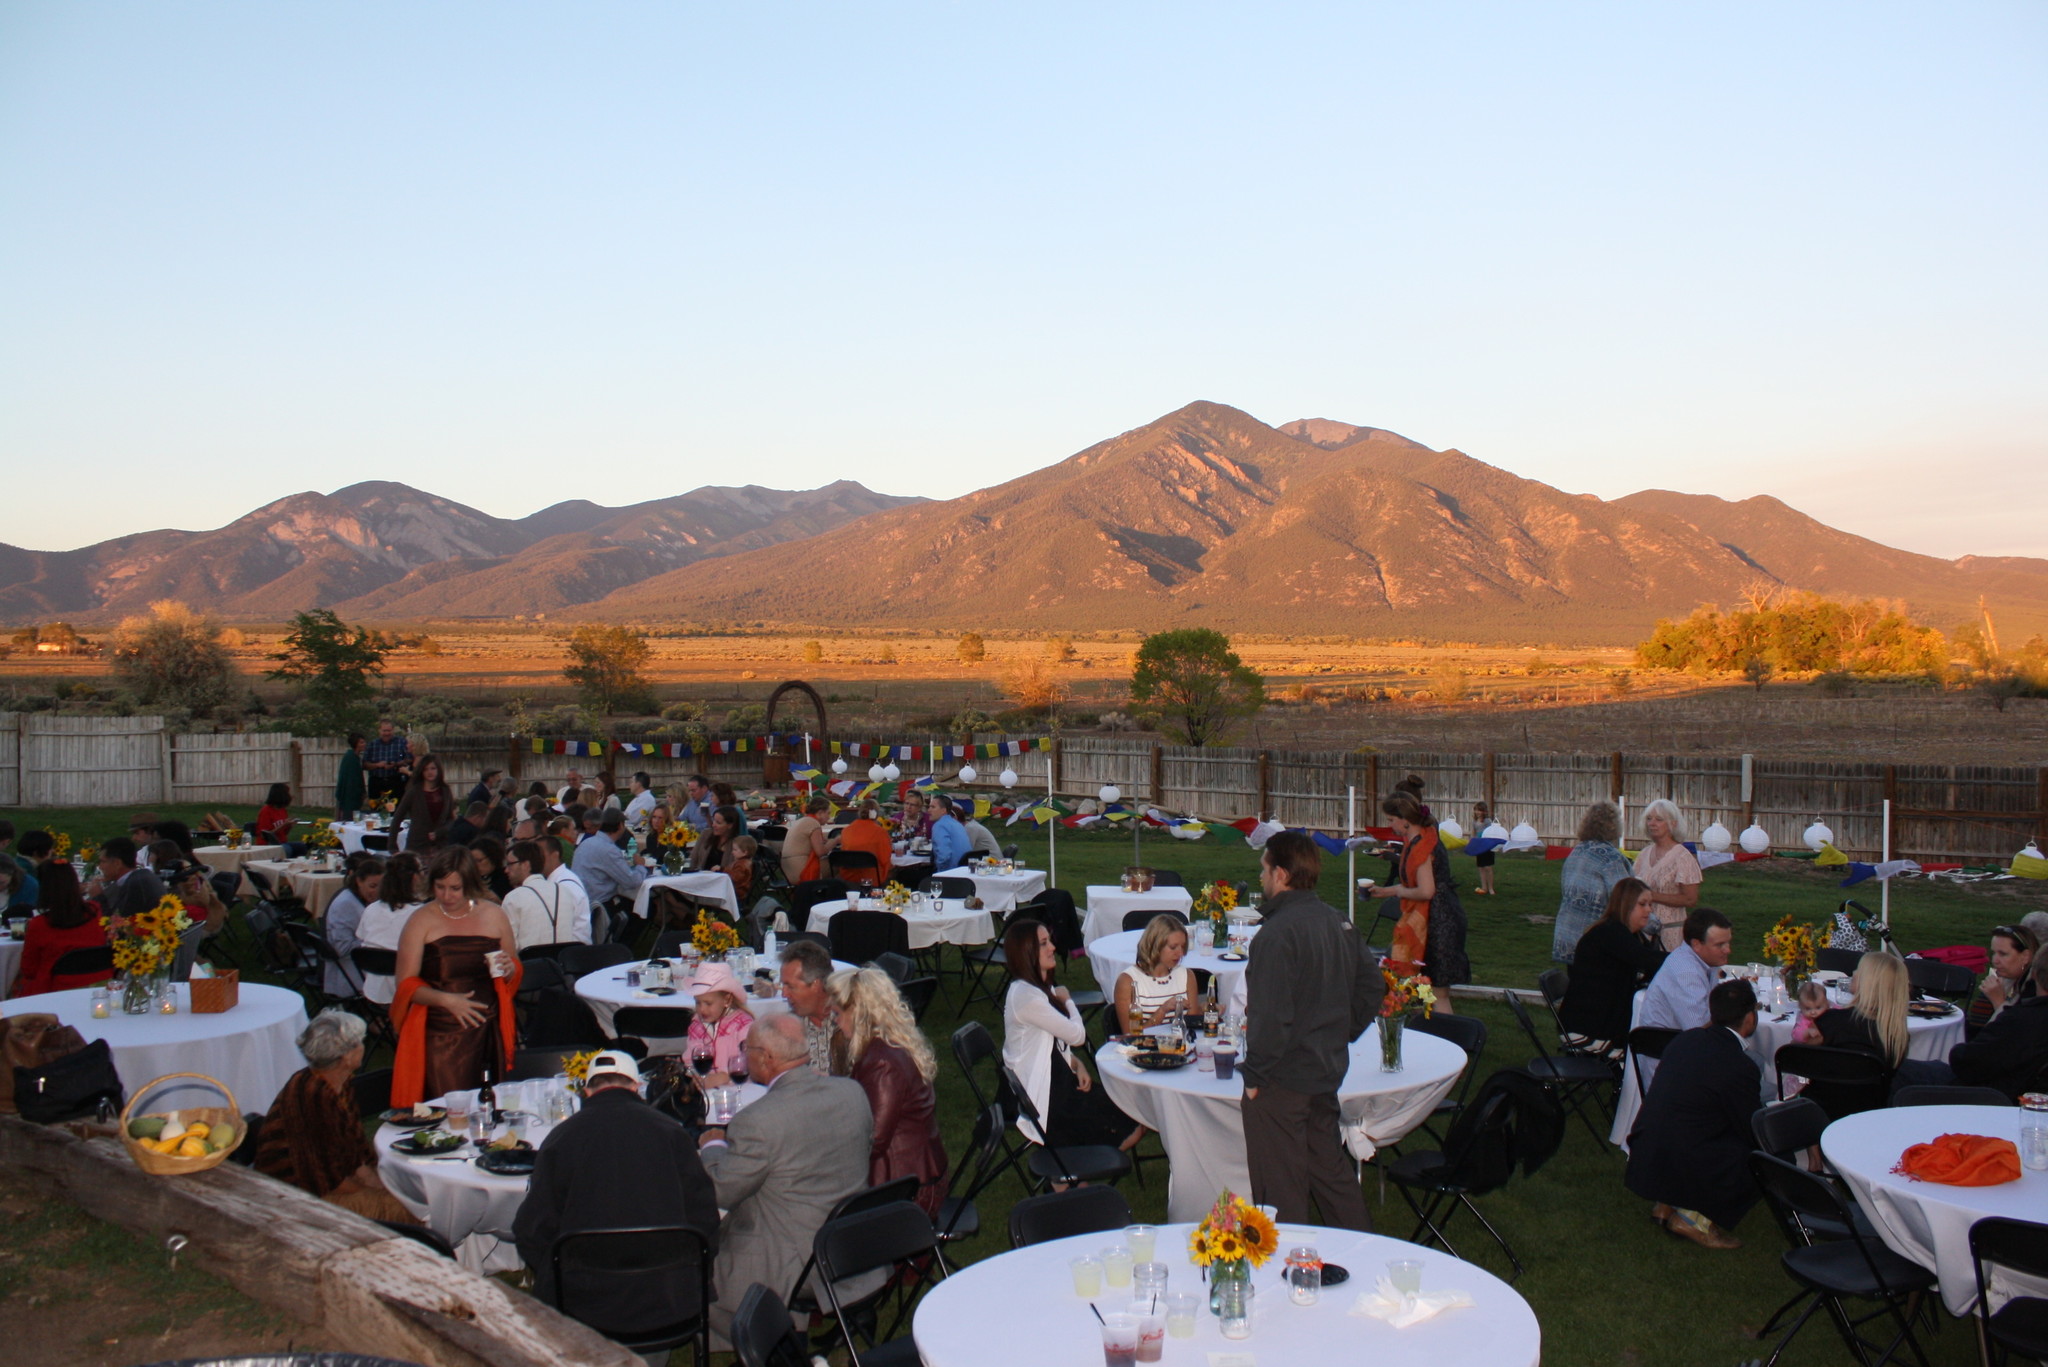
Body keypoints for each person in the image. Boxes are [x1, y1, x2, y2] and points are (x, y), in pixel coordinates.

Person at [514, 1050, 720, 1351]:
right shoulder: (673, 1134)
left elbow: (532, 1231)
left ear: (586, 1092)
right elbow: (705, 1222)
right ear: (636, 1087)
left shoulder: (561, 1139)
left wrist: (558, 1276)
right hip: (668, 1303)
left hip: (582, 1306)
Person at [696, 1014, 875, 1346]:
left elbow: (722, 1189)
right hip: (853, 1241)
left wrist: (713, 1147)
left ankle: (768, 1339)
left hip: (798, 1260)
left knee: (700, 1263)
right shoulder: (852, 1092)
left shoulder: (757, 1122)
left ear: (766, 1057)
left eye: (745, 1048)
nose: (744, 1055)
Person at [1240, 831, 1383, 1229]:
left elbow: (1270, 1017)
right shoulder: (1338, 921)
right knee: (1329, 1171)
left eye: (1265, 870)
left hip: (1282, 1080)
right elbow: (1372, 988)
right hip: (1324, 1070)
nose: (1262, 878)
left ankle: (1289, 1268)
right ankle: (1362, 1250)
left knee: (1280, 1186)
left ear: (1281, 874)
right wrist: (1338, 1033)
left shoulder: (1276, 934)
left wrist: (1255, 1076)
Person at [1625, 979, 1764, 1250]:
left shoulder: (1685, 1040)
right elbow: (1751, 1128)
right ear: (1750, 1018)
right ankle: (1692, 1219)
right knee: (1758, 1156)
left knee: (1693, 1124)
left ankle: (1664, 1204)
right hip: (1681, 1156)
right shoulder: (1739, 1065)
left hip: (1646, 1149)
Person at [254, 1010, 419, 1224]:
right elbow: (327, 1181)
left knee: (412, 1189)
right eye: (360, 1042)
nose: (363, 1046)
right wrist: (378, 1190)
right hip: (297, 1197)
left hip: (330, 1182)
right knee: (410, 1208)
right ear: (346, 1057)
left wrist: (372, 1176)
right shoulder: (312, 1098)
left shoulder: (338, 1081)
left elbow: (352, 1146)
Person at [389, 846, 520, 1107]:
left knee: (490, 1106)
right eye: (440, 887)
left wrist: (511, 969)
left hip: (487, 1029)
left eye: (455, 888)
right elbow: (405, 984)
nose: (447, 896)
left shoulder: (495, 914)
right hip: (442, 1034)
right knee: (447, 1107)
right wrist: (446, 1000)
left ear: (470, 885)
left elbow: (513, 968)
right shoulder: (421, 920)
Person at [1001, 917, 1141, 1152]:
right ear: (1027, 952)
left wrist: (1076, 1064)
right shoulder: (1027, 996)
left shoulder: (1035, 988)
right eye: (1044, 943)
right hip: (1042, 1097)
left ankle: (1068, 1177)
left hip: (1057, 1078)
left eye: (1049, 941)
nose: (1053, 948)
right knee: (1129, 1122)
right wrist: (1068, 1002)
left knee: (1129, 1111)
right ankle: (1068, 1175)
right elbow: (1076, 1036)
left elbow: (1047, 1044)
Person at [829, 966, 948, 1218]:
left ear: (859, 1013)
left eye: (838, 1014)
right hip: (913, 1175)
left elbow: (873, 1140)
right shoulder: (891, 1045)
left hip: (905, 1191)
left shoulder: (882, 1063)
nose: (835, 1022)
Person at [1368, 790, 1463, 1009]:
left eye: (1392, 820)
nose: (1391, 826)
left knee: (1438, 993)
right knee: (1431, 991)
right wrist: (1385, 890)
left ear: (1405, 820)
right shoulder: (1423, 836)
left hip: (1438, 922)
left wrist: (1397, 891)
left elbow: (1426, 891)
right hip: (1441, 915)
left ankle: (1445, 1038)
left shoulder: (1422, 847)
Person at [1556, 877, 1666, 1061]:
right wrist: (1688, 957)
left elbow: (1650, 962)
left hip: (1604, 1020)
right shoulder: (1610, 934)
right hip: (1587, 1028)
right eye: (1643, 904)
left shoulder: (1630, 935)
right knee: (1644, 1057)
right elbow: (1647, 960)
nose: (1649, 910)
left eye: (1650, 904)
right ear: (1626, 905)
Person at [1802, 951, 1910, 1118]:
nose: (1854, 973)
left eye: (1859, 970)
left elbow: (1801, 1059)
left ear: (1869, 983)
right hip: (1870, 1114)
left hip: (1820, 1111)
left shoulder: (1831, 1022)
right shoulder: (1895, 1036)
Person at [1949, 951, 2048, 1100]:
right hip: (2015, 1092)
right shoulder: (2026, 1014)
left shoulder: (2025, 1019)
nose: (1996, 961)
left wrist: (1956, 1051)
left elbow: (1968, 1062)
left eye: (2004, 954)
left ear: (2033, 973)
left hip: (1993, 1097)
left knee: (1905, 1073)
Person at [12, 863, 110, 997]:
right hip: (98, 985)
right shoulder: (95, 911)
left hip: (53, 991)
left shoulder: (39, 924)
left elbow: (29, 969)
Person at [1553, 801, 1632, 962]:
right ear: (1614, 826)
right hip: (1593, 940)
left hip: (1567, 936)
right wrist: (1653, 924)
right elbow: (1625, 898)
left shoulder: (1577, 852)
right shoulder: (1611, 858)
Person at [1640, 907, 1732, 1031]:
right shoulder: (1686, 973)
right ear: (1696, 944)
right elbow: (1698, 1030)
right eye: (1720, 945)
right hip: (1666, 1046)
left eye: (1728, 943)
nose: (1728, 950)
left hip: (1681, 1042)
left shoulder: (1707, 960)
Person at [355, 851, 424, 1004]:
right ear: (414, 877)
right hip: (408, 992)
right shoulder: (421, 914)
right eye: (421, 871)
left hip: (374, 988)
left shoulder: (371, 909)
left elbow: (361, 937)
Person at [1114, 914, 1200, 1034]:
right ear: (1156, 945)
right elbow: (1131, 1035)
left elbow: (1193, 1027)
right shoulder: (1128, 982)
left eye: (1183, 946)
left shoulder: (1186, 976)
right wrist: (1163, 1010)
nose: (1180, 953)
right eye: (1173, 947)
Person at [1635, 799, 1703, 953]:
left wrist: (1652, 896)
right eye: (1649, 819)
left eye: (1659, 820)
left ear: (1673, 824)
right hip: (1642, 931)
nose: (1652, 823)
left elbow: (1690, 899)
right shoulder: (1644, 854)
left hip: (1670, 933)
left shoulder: (1682, 857)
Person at [502, 839, 591, 949]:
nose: (506, 870)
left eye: (510, 864)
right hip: (563, 961)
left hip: (529, 963)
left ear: (526, 865)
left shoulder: (514, 898)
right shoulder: (564, 891)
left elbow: (510, 946)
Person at [777, 938, 842, 1075]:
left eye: (790, 986)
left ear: (816, 985)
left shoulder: (848, 1022)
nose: (784, 994)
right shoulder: (789, 1029)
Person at [321, 857, 383, 999]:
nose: (378, 892)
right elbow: (342, 948)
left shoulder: (358, 898)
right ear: (359, 882)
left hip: (361, 964)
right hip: (350, 973)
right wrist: (376, 941)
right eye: (372, 886)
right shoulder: (346, 904)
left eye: (382, 886)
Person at [573, 809, 646, 930]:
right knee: (644, 907)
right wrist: (640, 866)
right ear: (620, 825)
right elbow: (631, 881)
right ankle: (619, 945)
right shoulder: (608, 850)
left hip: (581, 901)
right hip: (599, 906)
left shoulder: (586, 843)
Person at [686, 961, 756, 1081]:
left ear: (727, 1000)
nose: (702, 1009)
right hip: (707, 1091)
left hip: (739, 1089)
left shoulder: (742, 1025)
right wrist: (693, 1075)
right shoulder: (697, 1026)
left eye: (708, 1003)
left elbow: (751, 1063)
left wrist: (724, 1077)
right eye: (698, 1002)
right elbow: (690, 1060)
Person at [1967, 923, 2038, 1036]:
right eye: (1994, 953)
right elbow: (1975, 1026)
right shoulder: (2005, 980)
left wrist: (1998, 1001)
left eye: (2003, 954)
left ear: (2025, 957)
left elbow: (2020, 1033)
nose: (1995, 960)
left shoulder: (2036, 988)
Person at [94, 836, 168, 920]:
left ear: (117, 863)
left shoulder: (136, 885)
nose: (100, 867)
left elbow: (116, 926)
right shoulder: (141, 876)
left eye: (103, 861)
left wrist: (98, 897)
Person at [390, 755, 453, 851]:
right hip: (417, 845)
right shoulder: (414, 791)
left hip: (440, 846)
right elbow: (398, 817)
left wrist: (439, 833)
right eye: (426, 769)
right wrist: (392, 847)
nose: (430, 772)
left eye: (433, 768)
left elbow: (451, 819)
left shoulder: (445, 791)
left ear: (438, 769)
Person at [833, 801, 893, 888]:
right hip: (873, 879)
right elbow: (885, 859)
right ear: (876, 814)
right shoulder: (880, 832)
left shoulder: (846, 831)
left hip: (848, 879)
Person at [777, 795, 832, 886]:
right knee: (840, 864)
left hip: (787, 870)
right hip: (801, 870)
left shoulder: (801, 821)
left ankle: (822, 893)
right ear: (820, 813)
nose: (829, 817)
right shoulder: (813, 823)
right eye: (828, 813)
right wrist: (835, 841)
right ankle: (840, 895)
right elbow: (820, 852)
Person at [362, 720, 414, 805]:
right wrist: (377, 765)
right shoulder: (372, 744)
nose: (386, 733)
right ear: (379, 731)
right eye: (384, 731)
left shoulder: (401, 742)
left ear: (393, 730)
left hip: (395, 781)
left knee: (395, 810)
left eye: (389, 731)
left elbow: (409, 759)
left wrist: (395, 764)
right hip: (376, 782)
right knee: (376, 810)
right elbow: (364, 764)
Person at [692, 806, 746, 873]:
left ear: (730, 825)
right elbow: (693, 858)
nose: (713, 825)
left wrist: (723, 869)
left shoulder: (737, 843)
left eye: (718, 823)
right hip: (700, 877)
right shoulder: (706, 834)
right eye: (713, 821)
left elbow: (739, 871)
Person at [929, 797, 971, 872]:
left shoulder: (940, 825)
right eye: (929, 807)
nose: (929, 810)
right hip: (964, 870)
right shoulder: (957, 824)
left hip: (949, 872)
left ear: (943, 810)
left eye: (933, 807)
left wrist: (938, 872)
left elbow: (944, 856)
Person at [334, 733, 367, 817]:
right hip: (349, 797)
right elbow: (350, 779)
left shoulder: (356, 757)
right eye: (361, 742)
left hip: (356, 796)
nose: (364, 744)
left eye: (364, 742)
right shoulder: (350, 758)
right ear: (355, 744)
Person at [469, 835, 512, 899]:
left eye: (479, 861)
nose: (475, 865)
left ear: (492, 858)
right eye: (472, 861)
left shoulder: (506, 879)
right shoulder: (472, 879)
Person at [254, 782, 297, 847]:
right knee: (287, 849)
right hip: (268, 844)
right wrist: (283, 825)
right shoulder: (266, 811)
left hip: (282, 842)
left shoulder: (282, 810)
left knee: (301, 846)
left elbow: (284, 833)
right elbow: (264, 835)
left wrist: (290, 826)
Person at [1470, 801, 1497, 896]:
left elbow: (1490, 832)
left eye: (1479, 810)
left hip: (1487, 845)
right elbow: (1473, 832)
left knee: (1488, 867)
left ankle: (1490, 888)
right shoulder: (1474, 821)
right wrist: (1472, 841)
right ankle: (1484, 887)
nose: (1477, 812)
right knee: (1481, 867)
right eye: (1476, 810)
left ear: (1484, 811)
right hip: (1479, 846)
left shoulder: (1487, 821)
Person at [722, 834, 758, 904]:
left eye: (735, 850)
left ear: (745, 852)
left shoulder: (743, 865)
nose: (732, 852)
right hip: (734, 888)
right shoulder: (741, 862)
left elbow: (735, 877)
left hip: (737, 891)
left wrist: (723, 869)